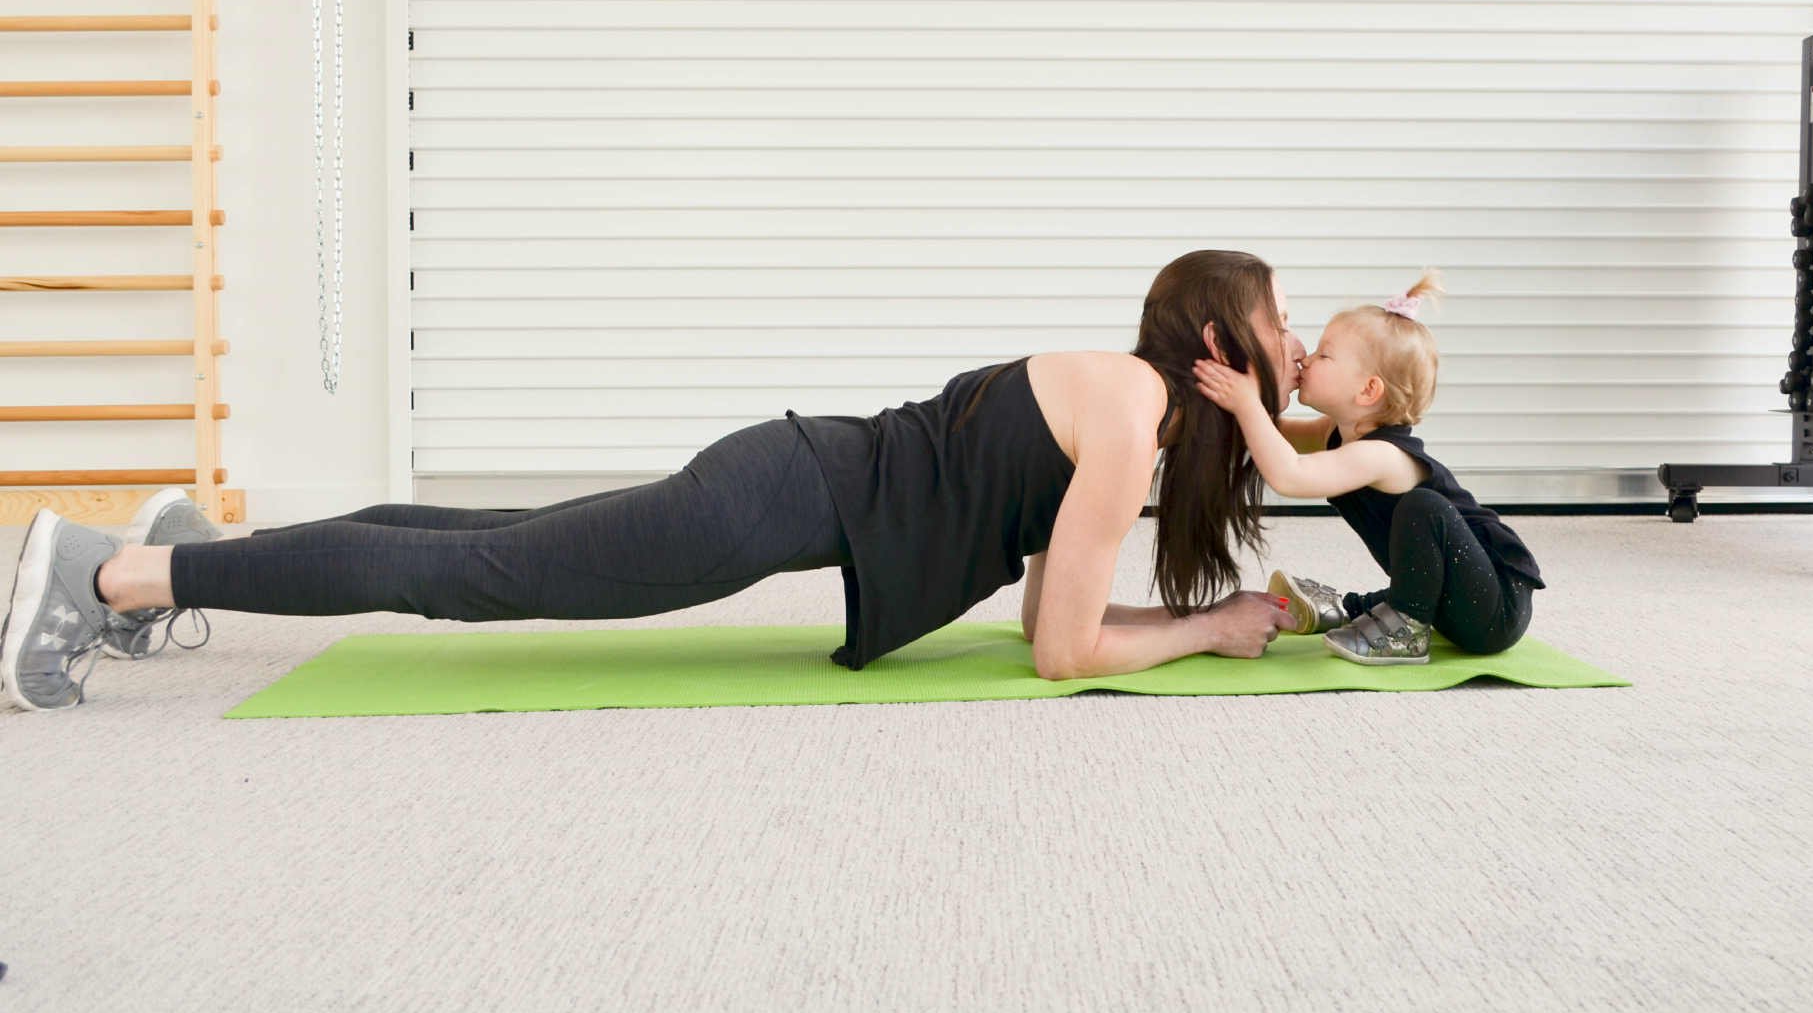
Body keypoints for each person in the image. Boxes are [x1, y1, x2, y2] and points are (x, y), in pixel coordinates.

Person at [4, 250, 1304, 711]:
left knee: (472, 538)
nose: (1294, 344)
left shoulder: (1128, 401)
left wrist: (1187, 621)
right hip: (768, 502)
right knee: (470, 577)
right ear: (1214, 345)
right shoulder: (1133, 421)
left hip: (785, 477)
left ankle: (178, 544)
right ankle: (112, 571)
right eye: (1281, 320)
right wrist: (1209, 629)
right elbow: (1066, 657)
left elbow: (1048, 620)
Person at [1190, 271, 1543, 667]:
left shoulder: (1383, 455)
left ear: (1368, 390)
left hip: (1494, 607)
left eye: (1324, 355)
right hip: (1450, 600)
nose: (1306, 358)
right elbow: (1274, 435)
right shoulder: (1340, 433)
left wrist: (1246, 404)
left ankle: (1405, 630)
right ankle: (1343, 609)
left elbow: (1290, 475)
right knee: (1406, 581)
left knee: (1424, 506)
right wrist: (1237, 395)